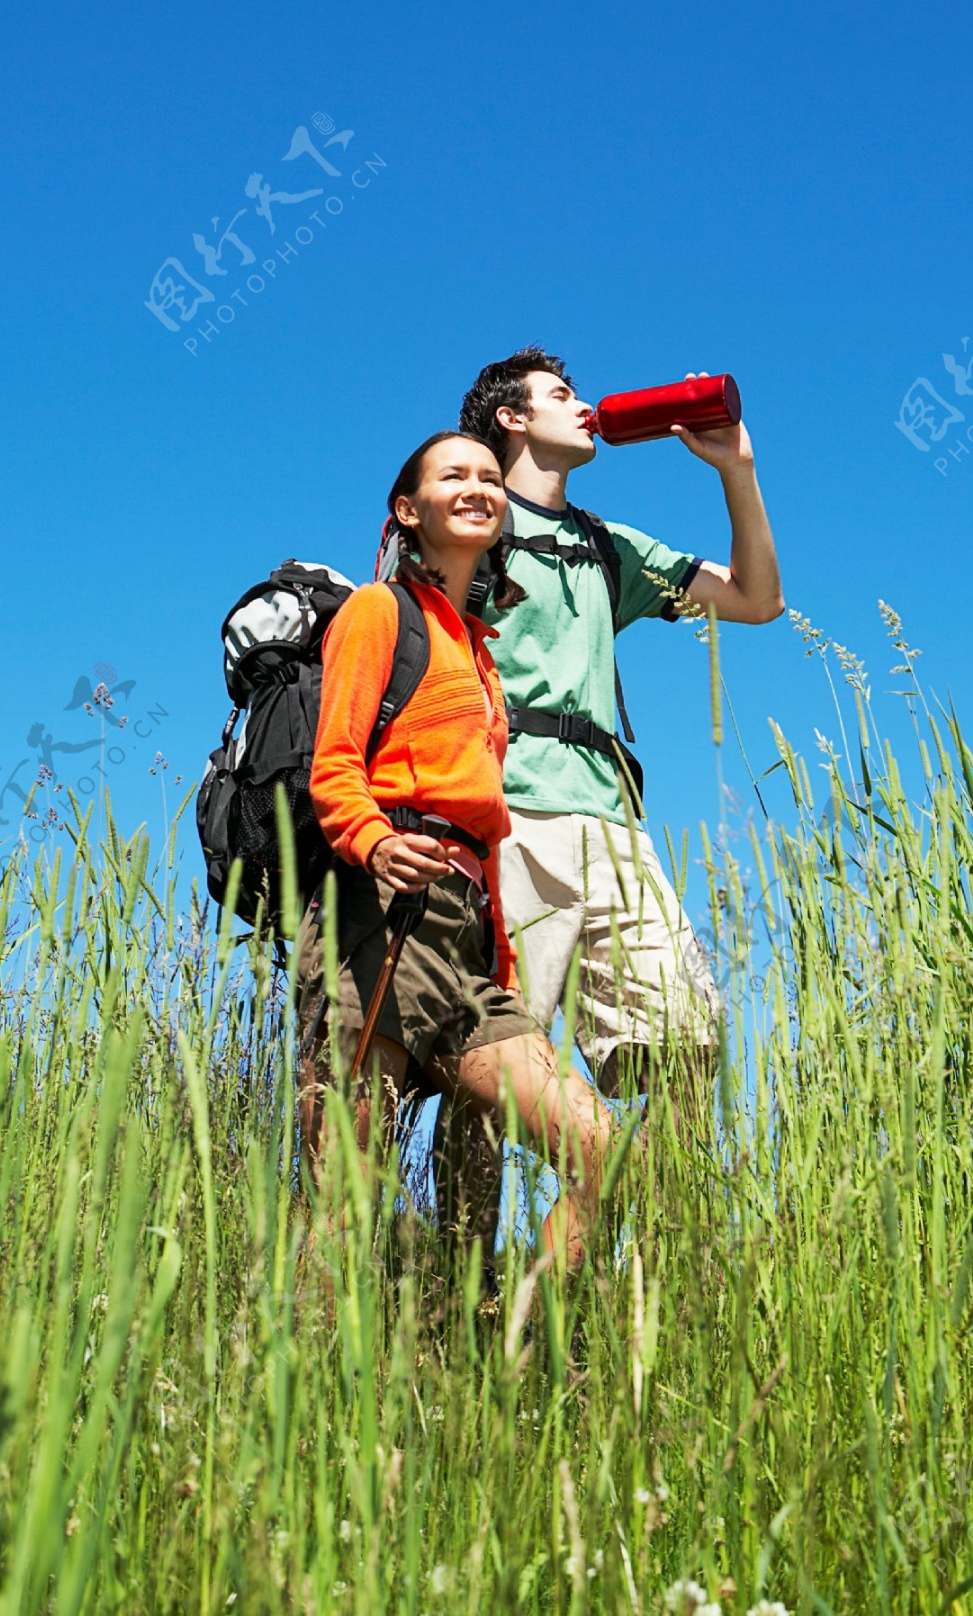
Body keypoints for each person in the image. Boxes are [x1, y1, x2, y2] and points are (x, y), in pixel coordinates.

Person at [433, 347, 784, 1240]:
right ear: (511, 418)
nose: (584, 406)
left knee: (683, 1054)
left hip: (616, 828)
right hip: (506, 819)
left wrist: (735, 470)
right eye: (560, 395)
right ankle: (464, 1285)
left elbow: (755, 598)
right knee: (495, 1063)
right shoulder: (469, 517)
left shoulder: (604, 545)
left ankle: (607, 1283)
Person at [296, 429, 613, 1281]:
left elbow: (485, 829)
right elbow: (334, 765)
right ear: (410, 509)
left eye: (487, 476)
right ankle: (302, 1397)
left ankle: (512, 1354)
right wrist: (373, 842)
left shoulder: (482, 654)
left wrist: (498, 953)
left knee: (598, 1146)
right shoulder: (378, 612)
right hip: (381, 918)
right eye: (453, 475)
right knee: (347, 1197)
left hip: (467, 941)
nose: (478, 486)